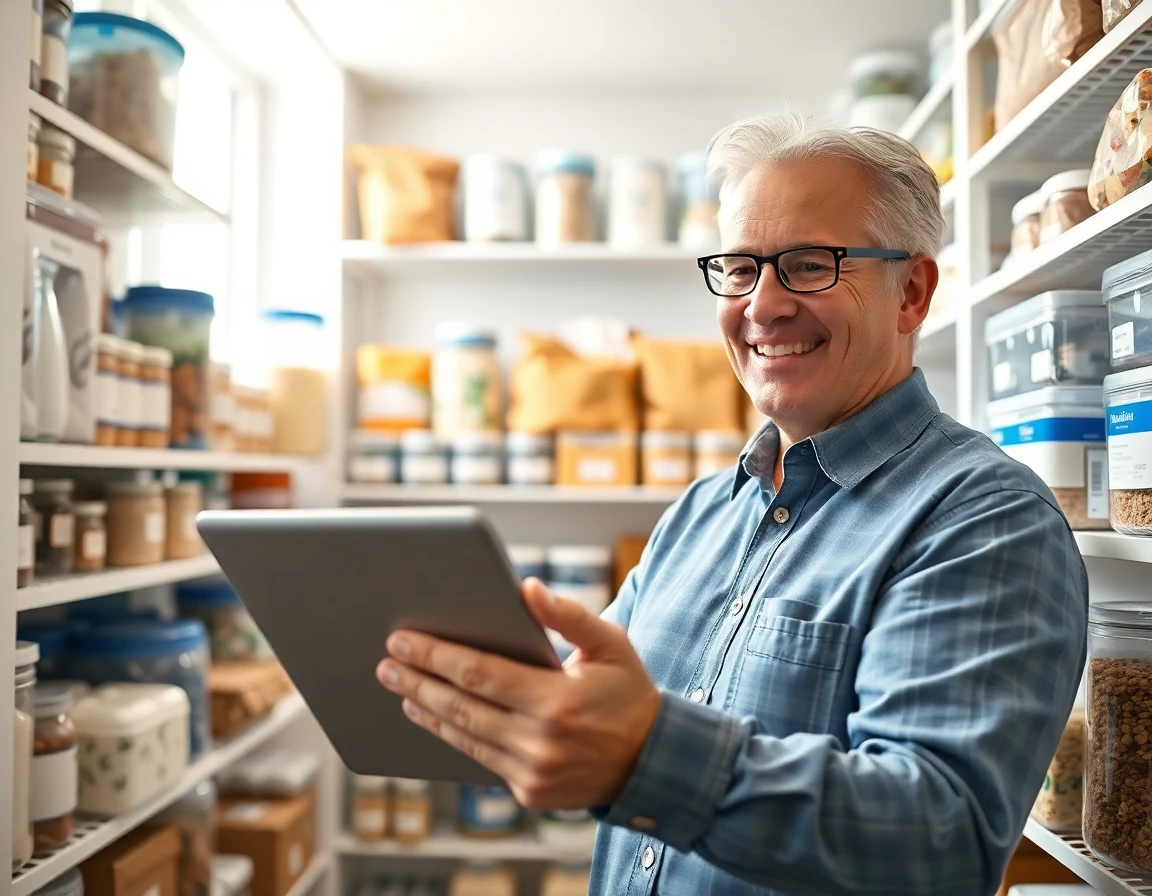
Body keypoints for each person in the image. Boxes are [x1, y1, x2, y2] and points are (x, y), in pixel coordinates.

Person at [375, 113, 1088, 895]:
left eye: (810, 265)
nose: (763, 304)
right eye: (740, 268)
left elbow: (939, 842)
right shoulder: (703, 511)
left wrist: (647, 756)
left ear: (911, 292)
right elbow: (589, 708)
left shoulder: (982, 519)